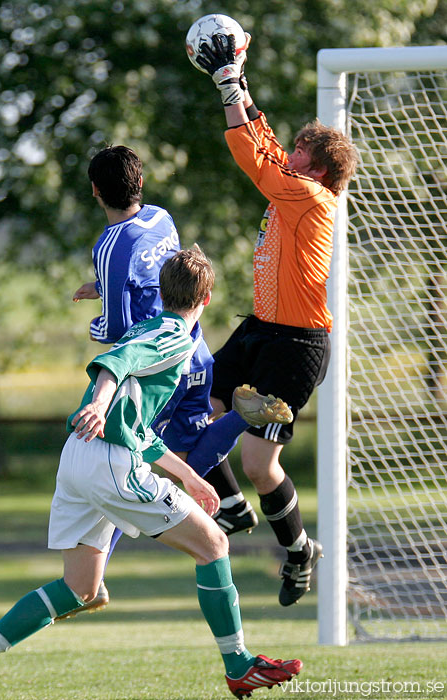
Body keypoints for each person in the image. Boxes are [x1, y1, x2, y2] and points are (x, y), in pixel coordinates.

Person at [0, 247, 302, 700]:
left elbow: (137, 428)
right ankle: (238, 665)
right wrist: (97, 401)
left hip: (79, 456)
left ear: (162, 290)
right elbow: (117, 362)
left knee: (80, 587)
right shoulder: (174, 336)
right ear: (206, 297)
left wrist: (188, 477)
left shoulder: (151, 325)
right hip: (110, 461)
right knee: (213, 544)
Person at [196, 34, 359, 606]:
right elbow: (261, 143)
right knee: (193, 403)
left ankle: (297, 551)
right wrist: (235, 78)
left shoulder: (312, 197)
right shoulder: (296, 187)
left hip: (298, 346)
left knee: (260, 464)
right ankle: (234, 512)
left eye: (298, 152)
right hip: (262, 329)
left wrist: (227, 88)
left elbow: (253, 157)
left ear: (317, 168)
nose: (286, 155)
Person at [73, 145, 290, 548]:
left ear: (95, 191)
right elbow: (158, 274)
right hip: (195, 350)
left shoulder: (108, 246)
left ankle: (97, 566)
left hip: (158, 364)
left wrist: (97, 323)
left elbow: (118, 327)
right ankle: (241, 425)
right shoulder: (160, 217)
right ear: (140, 182)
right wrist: (103, 286)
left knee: (128, 457)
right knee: (188, 453)